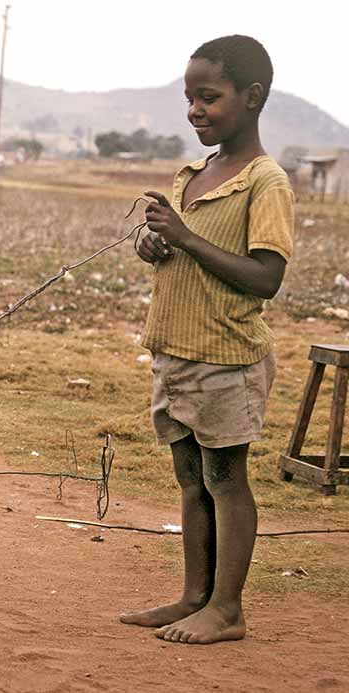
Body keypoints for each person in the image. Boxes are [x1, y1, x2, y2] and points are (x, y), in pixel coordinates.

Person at [119, 35, 295, 644]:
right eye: (189, 97)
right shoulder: (192, 174)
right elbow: (186, 257)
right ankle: (194, 595)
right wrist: (156, 246)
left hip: (226, 358)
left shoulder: (264, 183)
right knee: (191, 479)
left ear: (251, 98)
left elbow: (266, 278)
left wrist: (187, 239)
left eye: (209, 97)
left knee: (226, 479)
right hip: (175, 353)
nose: (195, 109)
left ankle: (227, 609)